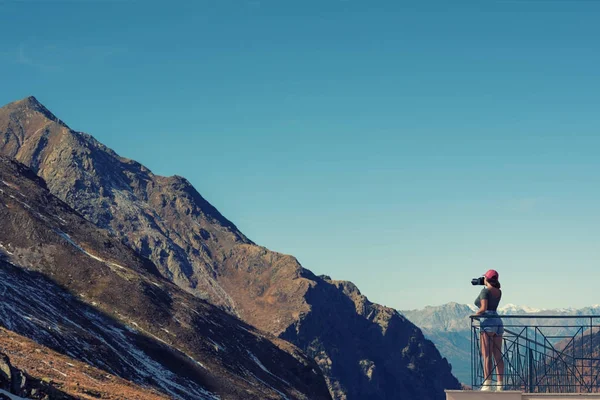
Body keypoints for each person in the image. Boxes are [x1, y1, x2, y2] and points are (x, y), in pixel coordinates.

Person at [474, 269, 504, 391]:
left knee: (486, 355)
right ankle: (500, 384)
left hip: (487, 322)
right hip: (498, 321)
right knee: (497, 355)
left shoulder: (484, 291)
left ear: (486, 279)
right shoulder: (499, 292)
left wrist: (475, 315)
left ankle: (487, 384)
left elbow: (483, 308)